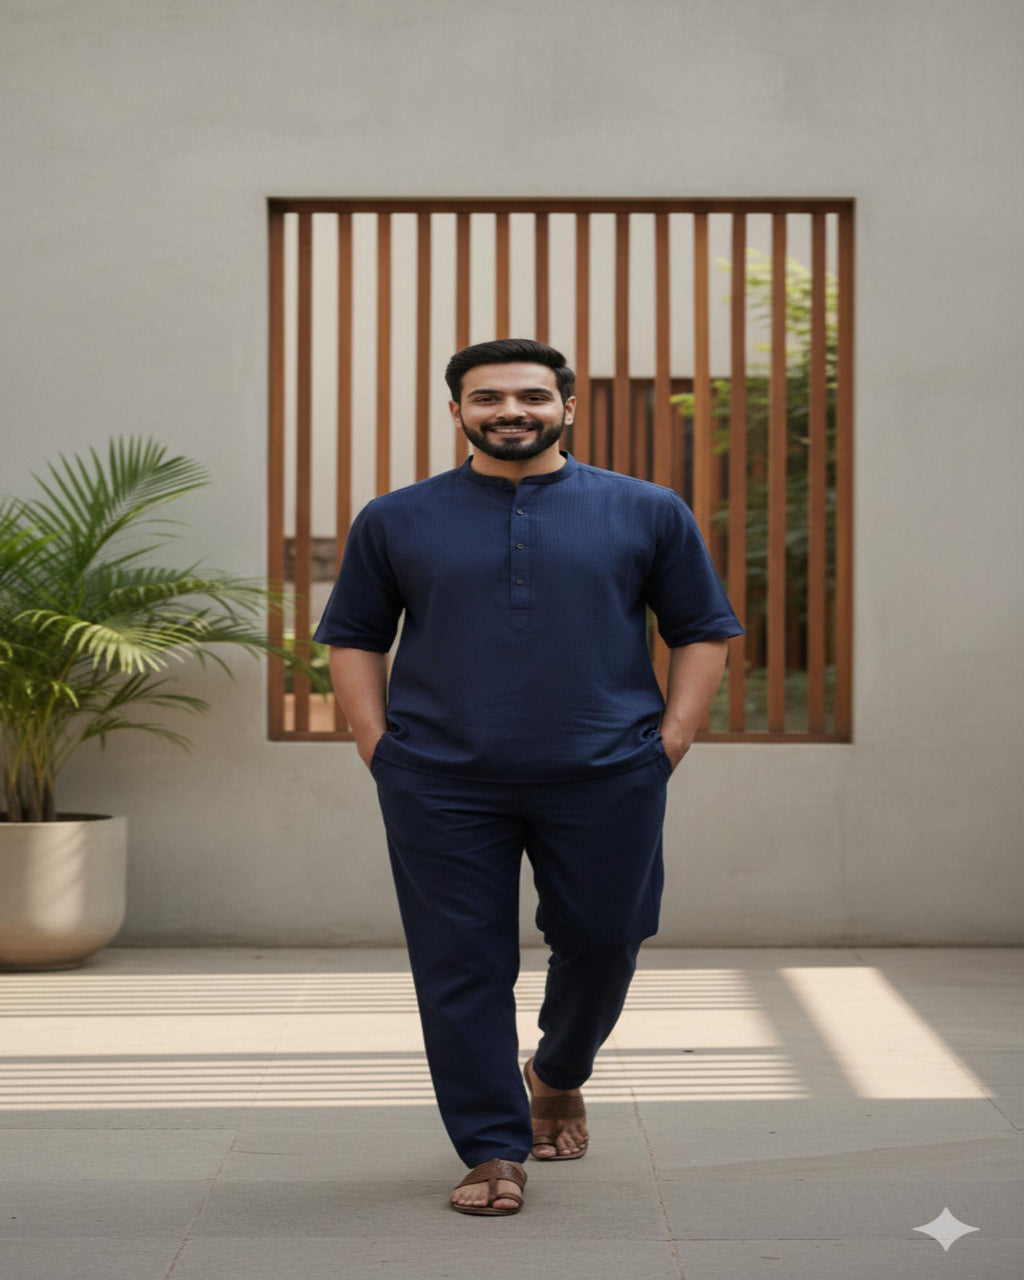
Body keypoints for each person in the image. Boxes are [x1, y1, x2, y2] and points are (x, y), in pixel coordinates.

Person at [314, 338, 743, 1216]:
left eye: (531, 396)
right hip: (439, 779)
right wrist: (377, 746)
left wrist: (672, 739)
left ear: (567, 408)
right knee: (460, 962)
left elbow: (702, 627)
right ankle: (491, 1150)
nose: (511, 410)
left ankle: (556, 1072)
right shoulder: (396, 517)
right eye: (488, 398)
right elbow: (355, 634)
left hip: (607, 771)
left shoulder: (647, 509)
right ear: (457, 413)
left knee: (607, 936)